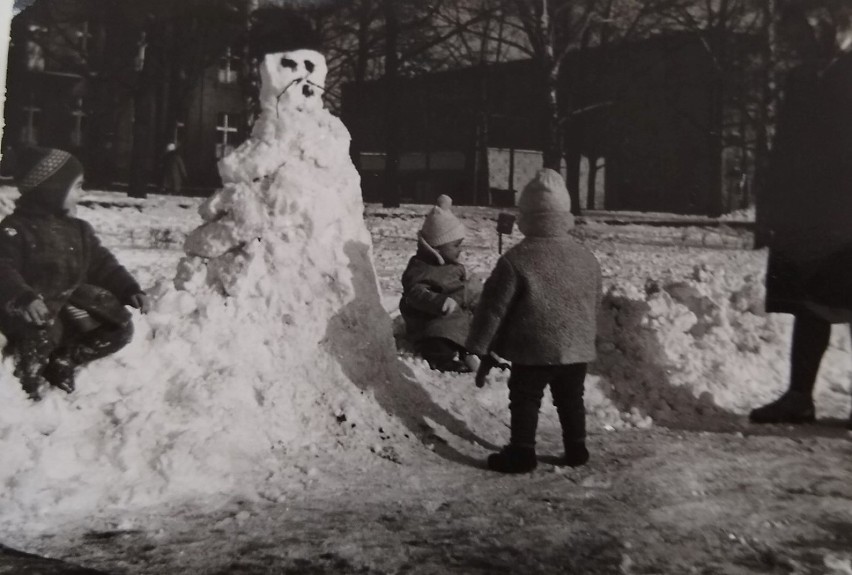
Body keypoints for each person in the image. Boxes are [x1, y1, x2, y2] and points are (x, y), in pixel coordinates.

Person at [751, 3, 852, 427]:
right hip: (805, 210)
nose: (807, 36)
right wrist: (770, 208)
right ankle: (799, 398)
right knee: (808, 303)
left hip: (846, 209)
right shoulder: (801, 77)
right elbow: (785, 147)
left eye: (815, 25)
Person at [466, 169, 601, 473]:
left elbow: (493, 309)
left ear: (525, 216)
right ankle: (576, 447)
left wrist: (478, 346)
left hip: (533, 347)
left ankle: (522, 451)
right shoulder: (586, 257)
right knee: (571, 399)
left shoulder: (516, 259)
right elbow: (595, 301)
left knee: (526, 397)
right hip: (576, 348)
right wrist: (585, 337)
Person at [0, 147, 150, 401]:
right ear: (52, 190)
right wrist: (23, 297)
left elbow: (103, 264)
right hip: (32, 311)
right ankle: (28, 384)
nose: (83, 193)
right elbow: (3, 268)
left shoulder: (79, 230)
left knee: (120, 327)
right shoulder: (15, 230)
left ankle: (66, 358)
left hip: (68, 304)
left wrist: (129, 289)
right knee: (41, 334)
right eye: (78, 186)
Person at [399, 194, 481, 373]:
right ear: (437, 247)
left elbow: (461, 290)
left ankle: (477, 352)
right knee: (438, 334)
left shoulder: (452, 266)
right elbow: (415, 293)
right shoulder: (421, 267)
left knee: (477, 324)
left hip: (455, 317)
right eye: (456, 245)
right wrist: (438, 302)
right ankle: (442, 358)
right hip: (429, 320)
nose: (461, 250)